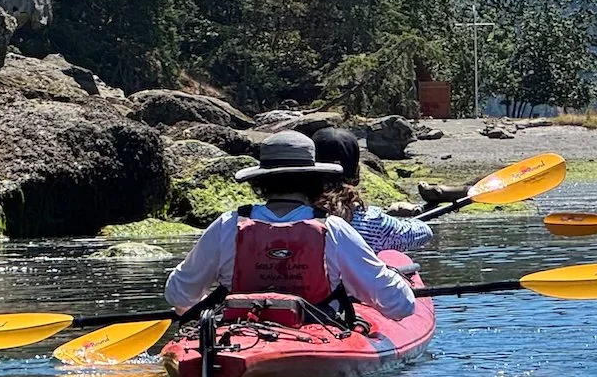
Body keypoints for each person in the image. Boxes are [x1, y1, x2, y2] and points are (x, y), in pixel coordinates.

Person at [165, 130, 416, 319]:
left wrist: (213, 304)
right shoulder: (334, 229)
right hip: (314, 334)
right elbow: (400, 306)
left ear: (261, 183)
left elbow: (178, 295)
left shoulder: (227, 225)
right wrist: (397, 279)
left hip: (239, 332)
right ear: (315, 180)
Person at [310, 127, 462, 253]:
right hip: (354, 289)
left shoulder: (294, 214)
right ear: (356, 174)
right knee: (396, 262)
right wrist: (413, 210)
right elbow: (423, 233)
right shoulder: (373, 222)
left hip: (309, 288)